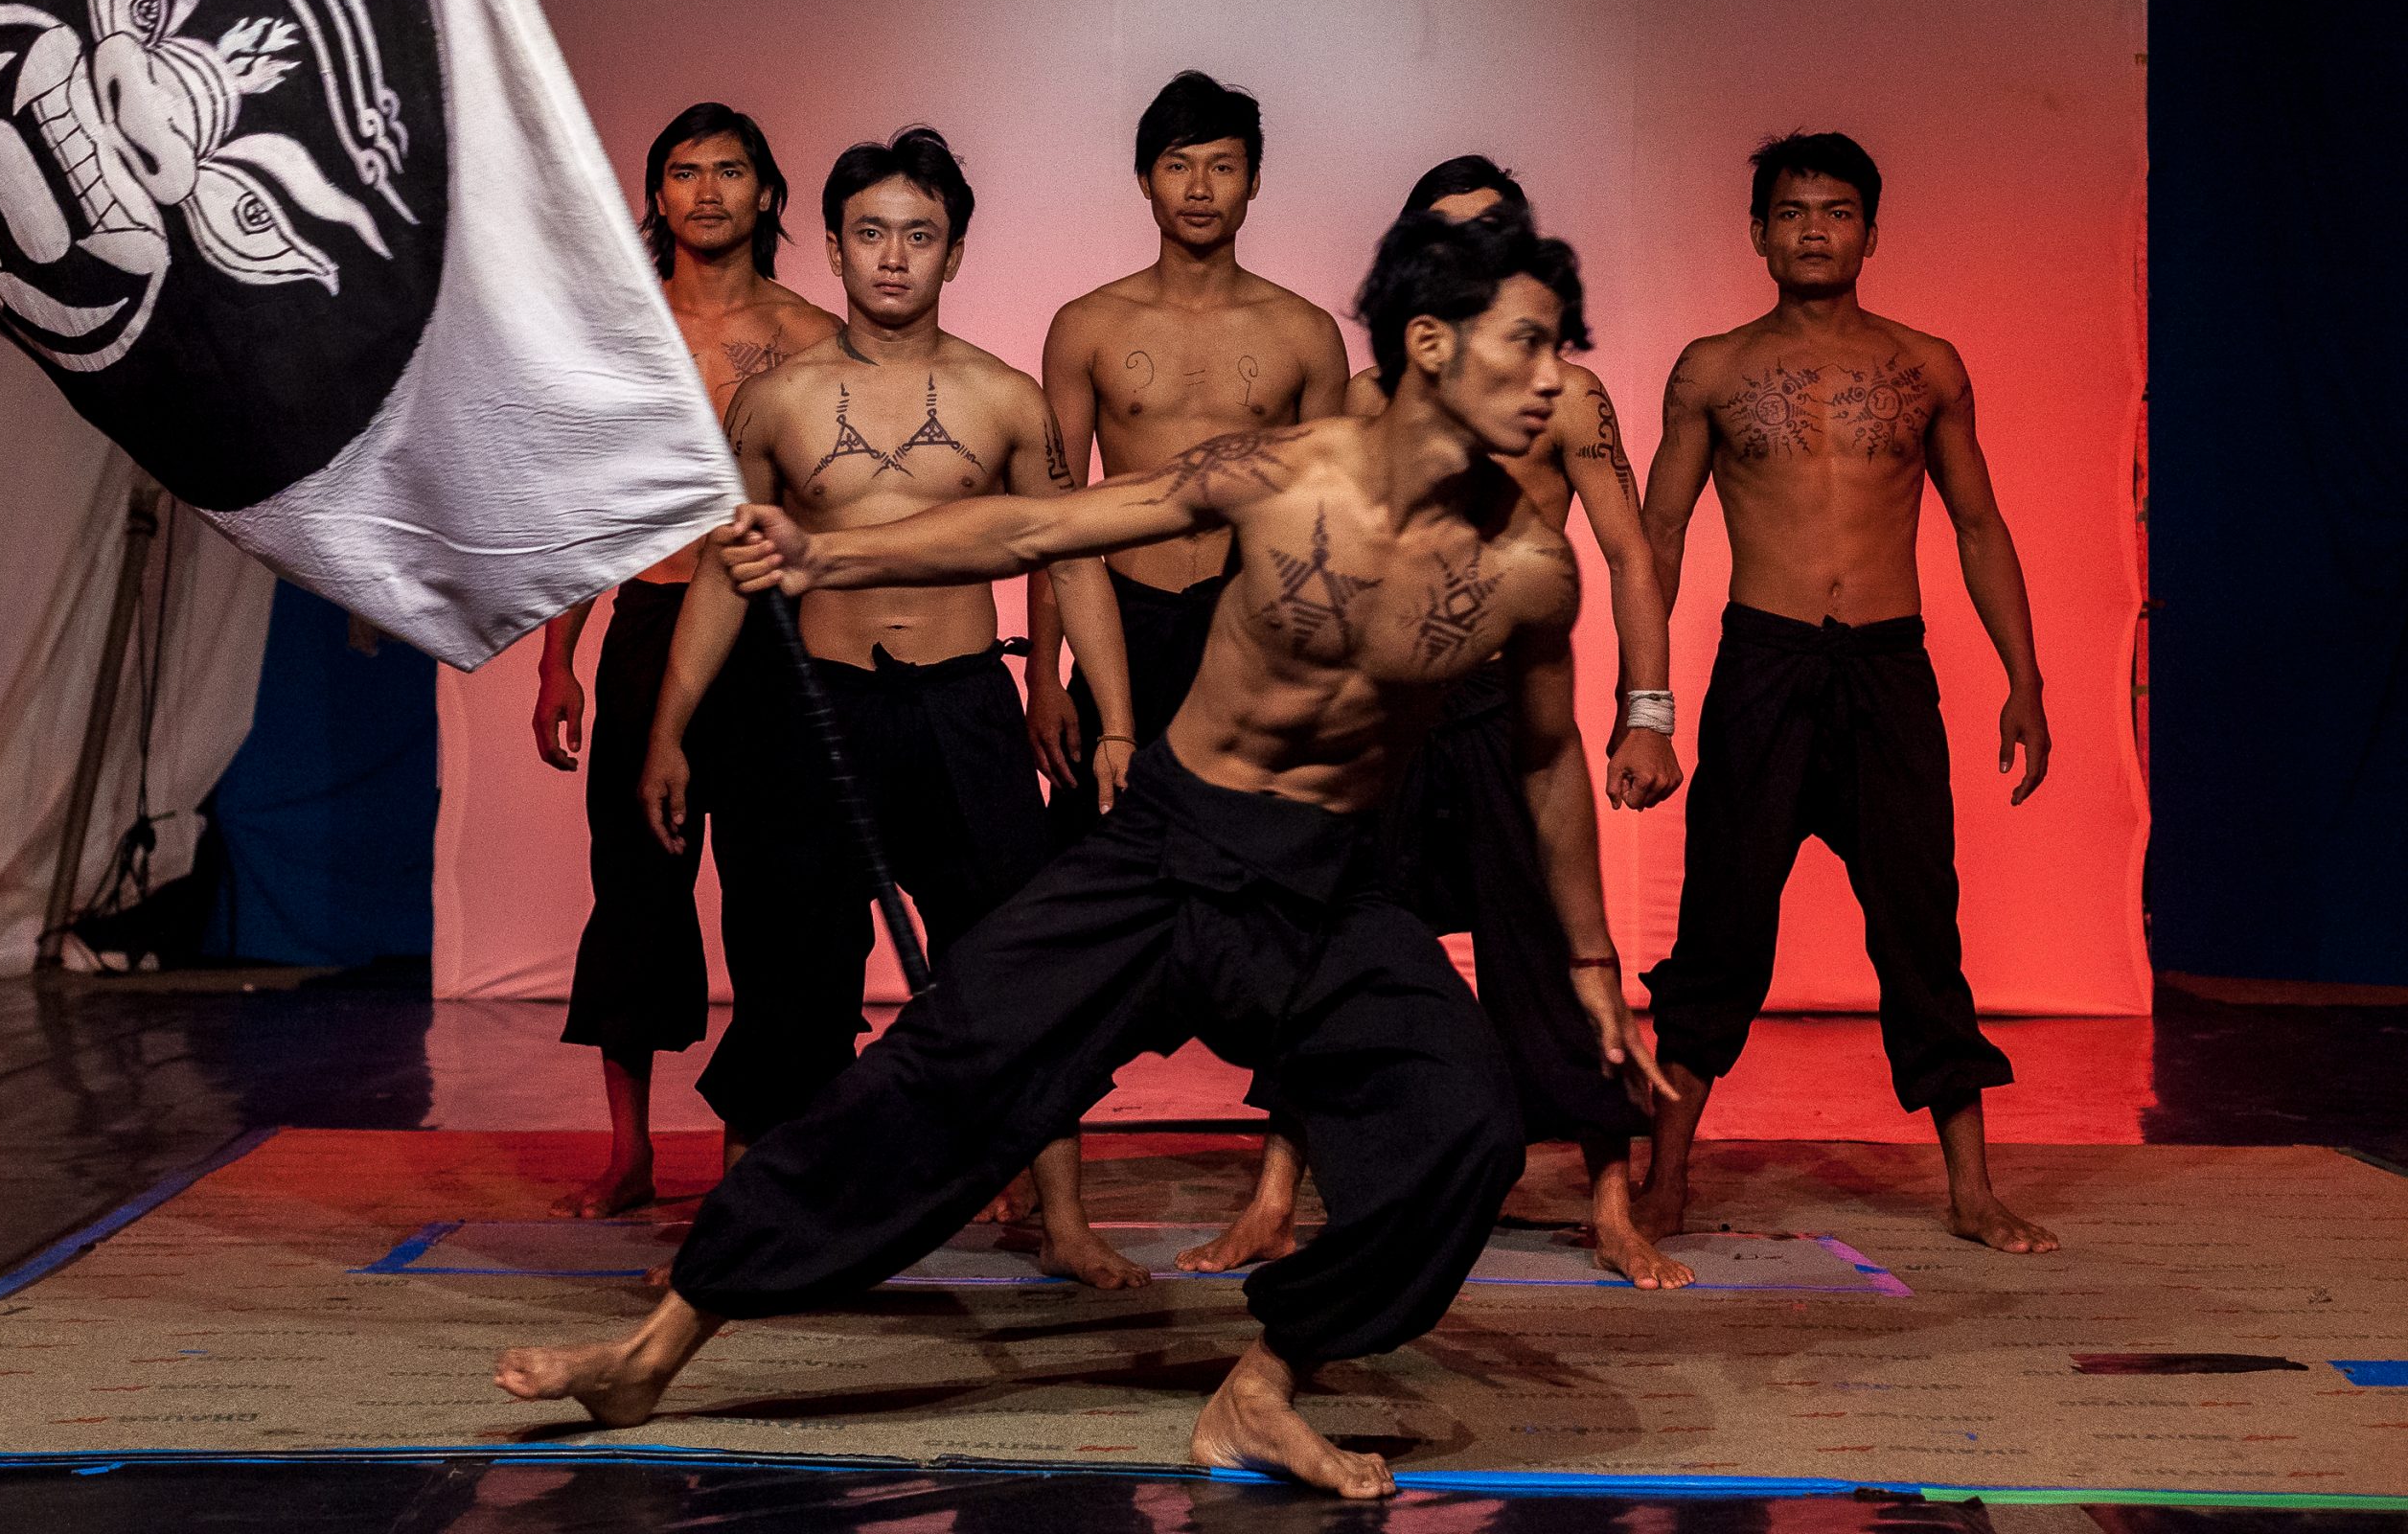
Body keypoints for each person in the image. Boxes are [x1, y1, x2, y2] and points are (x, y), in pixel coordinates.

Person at [497, 208, 1668, 1500]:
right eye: (1532, 345)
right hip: (1167, 853)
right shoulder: (1285, 473)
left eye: (1565, 350)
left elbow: (1551, 759)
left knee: (1466, 1126)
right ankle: (657, 1347)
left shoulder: (1528, 571)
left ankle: (1264, 1390)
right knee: (939, 1075)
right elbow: (1036, 532)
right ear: (1434, 344)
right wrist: (831, 549)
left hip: (1326, 887)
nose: (1559, 380)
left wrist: (1592, 957)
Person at [637, 126, 1145, 1287]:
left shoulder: (1005, 397)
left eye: (920, 234)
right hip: (816, 710)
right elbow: (727, 567)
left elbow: (1072, 560)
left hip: (961, 710)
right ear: (831, 245)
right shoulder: (777, 402)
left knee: (1016, 959)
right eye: (871, 233)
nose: (894, 257)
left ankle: (1058, 1215)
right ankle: (747, 1219)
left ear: (954, 252)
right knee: (787, 964)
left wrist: (1109, 717)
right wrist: (670, 727)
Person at [1181, 158, 1692, 1289]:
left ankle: (1610, 1202)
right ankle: (1276, 1195)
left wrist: (1645, 714)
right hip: (1400, 708)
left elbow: (1628, 554)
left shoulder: (1566, 395)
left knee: (1554, 951)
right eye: (1446, 240)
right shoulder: (1376, 402)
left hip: (1514, 706)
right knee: (1334, 941)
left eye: (1490, 236)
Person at [1634, 130, 2056, 1253]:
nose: (1814, 228)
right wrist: (1647, 702)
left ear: (1872, 229)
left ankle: (1971, 1186)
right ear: (1758, 231)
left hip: (1885, 664)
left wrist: (2026, 676)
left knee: (1921, 919)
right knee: (1722, 920)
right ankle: (1666, 1175)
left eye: (1835, 210)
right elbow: (1658, 537)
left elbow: (1978, 523)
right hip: (1763, 662)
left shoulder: (1927, 365)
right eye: (1791, 210)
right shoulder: (1711, 368)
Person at [528, 103, 840, 1221]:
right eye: (683, 171)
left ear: (768, 193)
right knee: (638, 890)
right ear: (655, 196)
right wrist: (558, 657)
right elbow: (583, 509)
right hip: (651, 620)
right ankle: (629, 1148)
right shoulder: (621, 328)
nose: (707, 190)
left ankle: (749, 1141)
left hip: (770, 637)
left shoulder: (811, 334)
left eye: (730, 170)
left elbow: (841, 506)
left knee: (777, 893)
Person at [1025, 71, 1353, 836]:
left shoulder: (1305, 334)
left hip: (1253, 627)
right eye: (1178, 164)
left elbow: (1326, 529)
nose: (1200, 187)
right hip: (1122, 622)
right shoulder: (1087, 326)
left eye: (1223, 165)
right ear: (1145, 180)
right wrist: (1044, 673)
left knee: (1249, 881)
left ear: (1255, 180)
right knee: (1099, 866)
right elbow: (1056, 517)